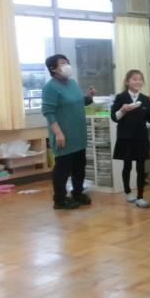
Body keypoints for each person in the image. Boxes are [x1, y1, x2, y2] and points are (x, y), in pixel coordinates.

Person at [41, 54, 95, 210]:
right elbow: (48, 112)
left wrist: (88, 97)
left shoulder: (72, 83)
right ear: (53, 68)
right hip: (63, 135)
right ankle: (59, 199)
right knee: (63, 167)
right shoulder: (50, 87)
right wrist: (58, 133)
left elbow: (77, 102)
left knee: (79, 165)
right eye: (63, 63)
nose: (67, 65)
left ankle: (77, 193)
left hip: (78, 133)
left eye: (67, 62)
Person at [111, 70, 150, 208]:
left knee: (141, 167)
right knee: (127, 166)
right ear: (127, 82)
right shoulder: (121, 97)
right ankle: (127, 192)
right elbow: (114, 117)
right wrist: (122, 110)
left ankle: (140, 197)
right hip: (125, 137)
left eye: (140, 79)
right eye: (134, 79)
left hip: (141, 137)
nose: (137, 82)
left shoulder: (145, 99)